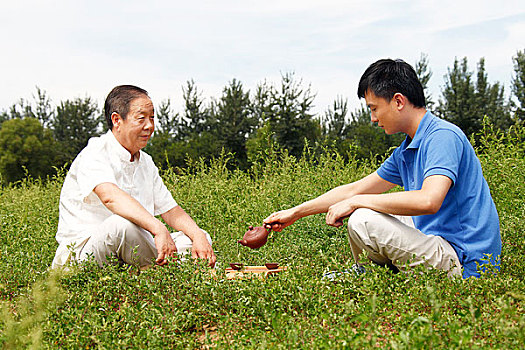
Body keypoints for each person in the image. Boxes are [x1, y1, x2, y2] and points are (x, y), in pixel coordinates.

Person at [263, 59, 501, 278]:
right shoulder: (408, 149)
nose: (373, 119)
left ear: (398, 101)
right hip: (438, 240)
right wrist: (295, 212)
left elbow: (429, 201)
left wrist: (358, 202)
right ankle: (375, 274)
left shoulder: (442, 137)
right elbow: (353, 190)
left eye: (374, 108)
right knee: (368, 210)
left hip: (467, 263)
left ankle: (368, 275)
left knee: (363, 218)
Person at [52, 85, 216, 269]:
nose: (149, 126)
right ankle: (174, 278)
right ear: (117, 120)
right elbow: (110, 197)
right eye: (141, 118)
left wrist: (198, 236)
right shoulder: (94, 152)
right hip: (84, 256)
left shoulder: (145, 162)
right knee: (120, 226)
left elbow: (171, 211)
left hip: (132, 251)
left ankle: (159, 273)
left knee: (196, 237)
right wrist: (158, 229)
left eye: (152, 118)